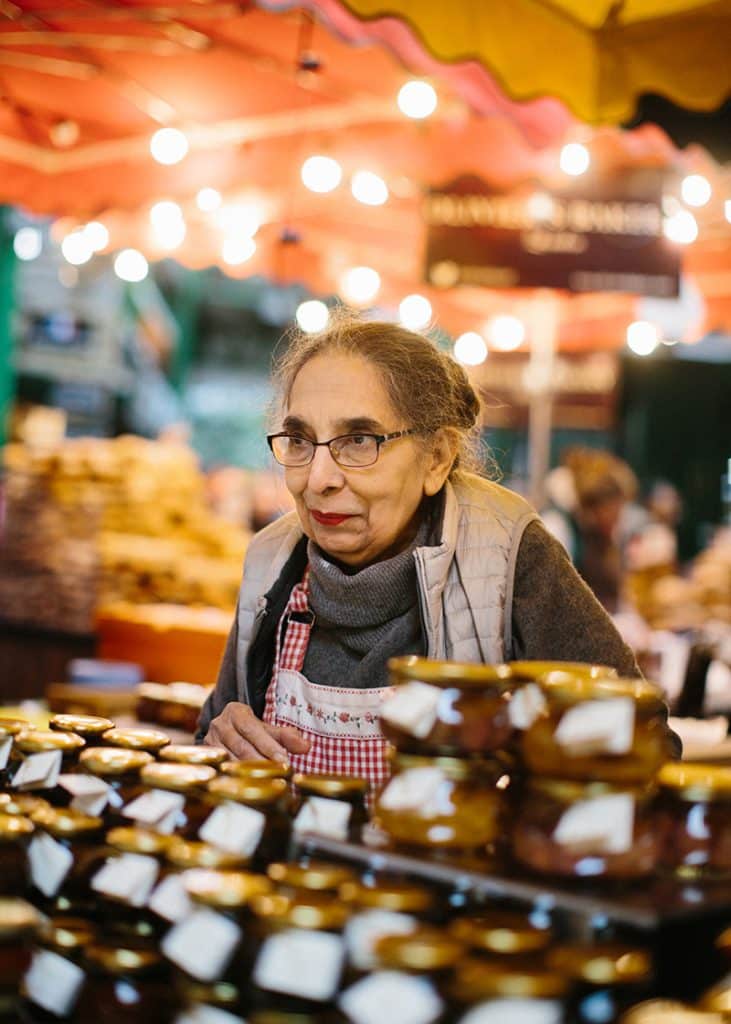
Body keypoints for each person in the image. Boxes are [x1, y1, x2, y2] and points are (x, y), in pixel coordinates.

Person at [198, 316, 662, 781]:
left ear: (436, 457)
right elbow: (214, 740)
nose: (318, 480)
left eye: (359, 441)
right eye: (299, 441)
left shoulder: (505, 556)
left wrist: (520, 768)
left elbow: (647, 744)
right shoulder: (270, 564)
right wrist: (218, 743)